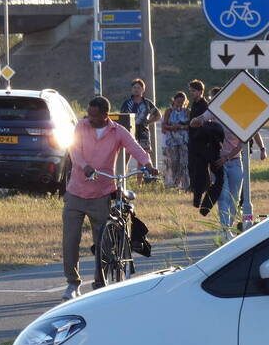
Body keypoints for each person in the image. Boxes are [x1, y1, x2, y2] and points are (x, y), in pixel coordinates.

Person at [61, 96, 158, 300]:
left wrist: (148, 165)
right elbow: (74, 150)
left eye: (94, 115)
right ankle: (72, 283)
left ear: (105, 115)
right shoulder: (81, 127)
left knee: (102, 243)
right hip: (76, 192)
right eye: (88, 114)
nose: (89, 118)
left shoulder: (117, 131)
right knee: (70, 240)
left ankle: (100, 282)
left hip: (102, 193)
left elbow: (135, 148)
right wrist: (84, 166)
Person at [120, 78, 161, 163]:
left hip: (143, 132)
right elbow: (122, 118)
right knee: (126, 156)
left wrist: (148, 122)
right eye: (134, 87)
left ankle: (140, 176)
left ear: (143, 89)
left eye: (138, 88)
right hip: (129, 132)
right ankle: (124, 175)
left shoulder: (147, 103)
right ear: (132, 89)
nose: (136, 90)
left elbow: (158, 115)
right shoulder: (127, 103)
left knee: (143, 156)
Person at [186, 80, 210, 207]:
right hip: (192, 142)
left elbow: (203, 124)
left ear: (201, 91)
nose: (192, 93)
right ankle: (197, 192)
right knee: (192, 168)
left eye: (194, 91)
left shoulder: (204, 105)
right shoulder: (194, 104)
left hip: (201, 142)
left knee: (200, 171)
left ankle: (199, 198)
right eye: (191, 91)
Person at [161, 92, 190, 190]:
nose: (180, 103)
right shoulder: (169, 111)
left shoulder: (187, 111)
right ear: (174, 101)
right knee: (174, 162)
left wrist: (181, 126)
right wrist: (171, 127)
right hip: (172, 141)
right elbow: (164, 125)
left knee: (184, 162)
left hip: (184, 140)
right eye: (178, 101)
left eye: (182, 102)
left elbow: (190, 126)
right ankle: (174, 183)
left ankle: (185, 185)